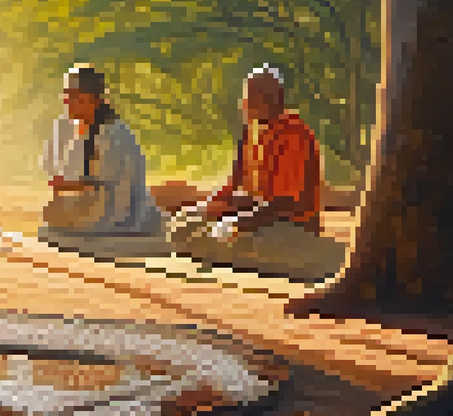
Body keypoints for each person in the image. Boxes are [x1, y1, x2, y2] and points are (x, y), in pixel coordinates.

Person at [166, 65, 344, 281]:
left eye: (253, 96)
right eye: (246, 96)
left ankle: (288, 255)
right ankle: (223, 250)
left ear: (274, 100)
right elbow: (234, 184)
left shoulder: (294, 135)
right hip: (252, 214)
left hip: (288, 225)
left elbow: (286, 204)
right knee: (182, 224)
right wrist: (208, 207)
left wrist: (238, 223)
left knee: (242, 240)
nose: (245, 103)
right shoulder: (250, 131)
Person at [38, 65, 166, 254]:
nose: (66, 102)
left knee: (52, 213)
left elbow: (102, 182)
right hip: (101, 206)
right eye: (66, 96)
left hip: (115, 213)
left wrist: (66, 185)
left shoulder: (110, 133)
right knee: (52, 212)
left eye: (72, 96)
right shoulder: (80, 127)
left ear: (91, 98)